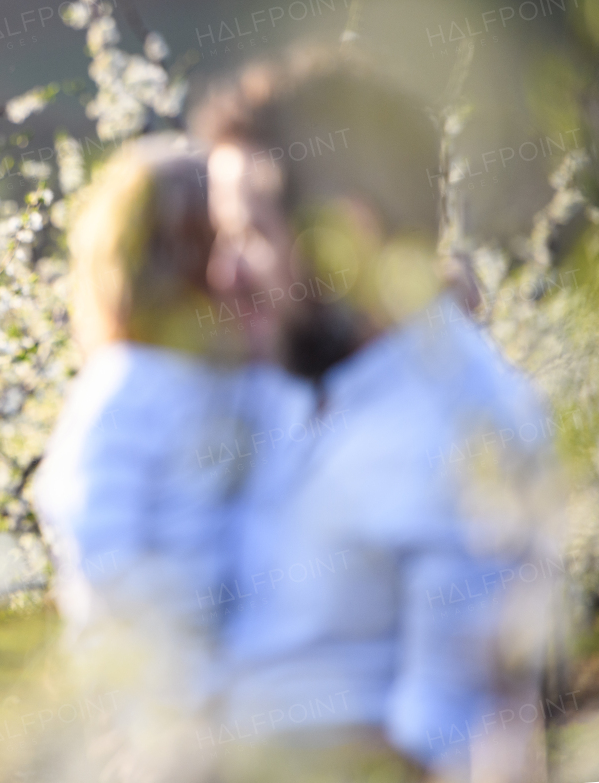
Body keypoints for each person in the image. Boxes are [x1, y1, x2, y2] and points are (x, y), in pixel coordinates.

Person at [193, 47, 561, 783]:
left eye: (249, 236)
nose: (222, 273)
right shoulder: (309, 379)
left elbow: (449, 744)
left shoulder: (464, 434)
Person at [33, 134, 301, 783]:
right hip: (155, 694)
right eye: (211, 244)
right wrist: (187, 682)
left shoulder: (243, 379)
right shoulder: (125, 386)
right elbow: (105, 547)